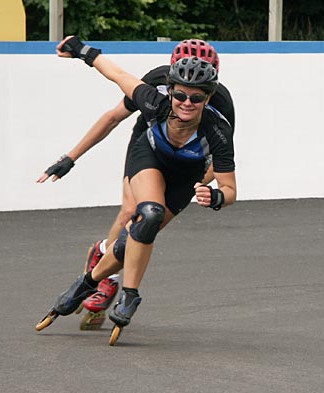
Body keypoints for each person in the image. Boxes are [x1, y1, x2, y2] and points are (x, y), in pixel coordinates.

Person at [37, 35, 236, 340]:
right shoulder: (154, 95)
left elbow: (223, 176)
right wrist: (79, 49)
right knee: (143, 213)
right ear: (169, 87)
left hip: (189, 167)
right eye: (180, 94)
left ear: (209, 96)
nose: (187, 102)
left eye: (197, 97)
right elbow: (115, 81)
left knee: (131, 239)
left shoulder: (220, 120)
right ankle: (126, 290)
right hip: (151, 149)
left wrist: (212, 194)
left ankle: (87, 280)